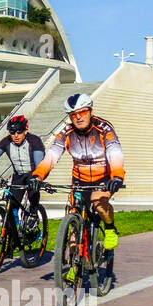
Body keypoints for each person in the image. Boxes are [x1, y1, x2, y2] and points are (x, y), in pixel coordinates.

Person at [31, 93, 126, 281]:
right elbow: (52, 156)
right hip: (80, 180)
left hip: (104, 177)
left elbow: (115, 153)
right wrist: (37, 175)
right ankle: (76, 263)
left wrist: (117, 175)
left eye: (82, 112)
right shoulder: (66, 133)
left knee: (98, 203)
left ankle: (109, 228)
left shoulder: (104, 129)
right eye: (73, 115)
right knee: (73, 220)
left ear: (90, 111)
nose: (78, 117)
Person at [0, 114, 44, 232]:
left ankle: (34, 214)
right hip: (18, 176)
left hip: (33, 173)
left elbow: (40, 164)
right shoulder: (6, 142)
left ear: (26, 130)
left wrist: (37, 178)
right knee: (12, 206)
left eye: (19, 131)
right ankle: (13, 234)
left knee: (33, 195)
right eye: (12, 132)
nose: (15, 135)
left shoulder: (34, 141)